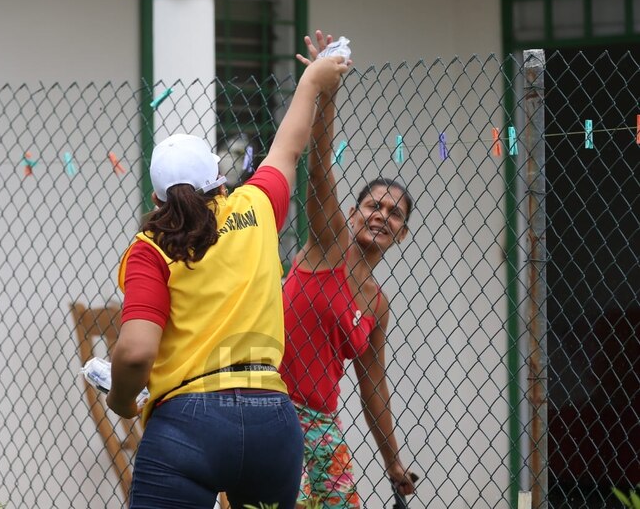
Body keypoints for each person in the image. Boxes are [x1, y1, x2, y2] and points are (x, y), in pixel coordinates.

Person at [106, 53, 350, 509]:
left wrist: (121, 399)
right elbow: (289, 147)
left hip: (188, 421)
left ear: (157, 196)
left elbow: (137, 350)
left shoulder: (151, 246)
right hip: (272, 422)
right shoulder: (255, 208)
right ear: (220, 179)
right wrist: (314, 80)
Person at [281, 31, 418, 508]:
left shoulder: (378, 304)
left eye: (394, 213)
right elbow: (319, 172)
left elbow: (372, 384)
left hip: (320, 423)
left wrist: (393, 463)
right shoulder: (329, 244)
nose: (382, 214)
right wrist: (325, 93)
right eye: (373, 205)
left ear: (401, 234)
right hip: (269, 408)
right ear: (355, 214)